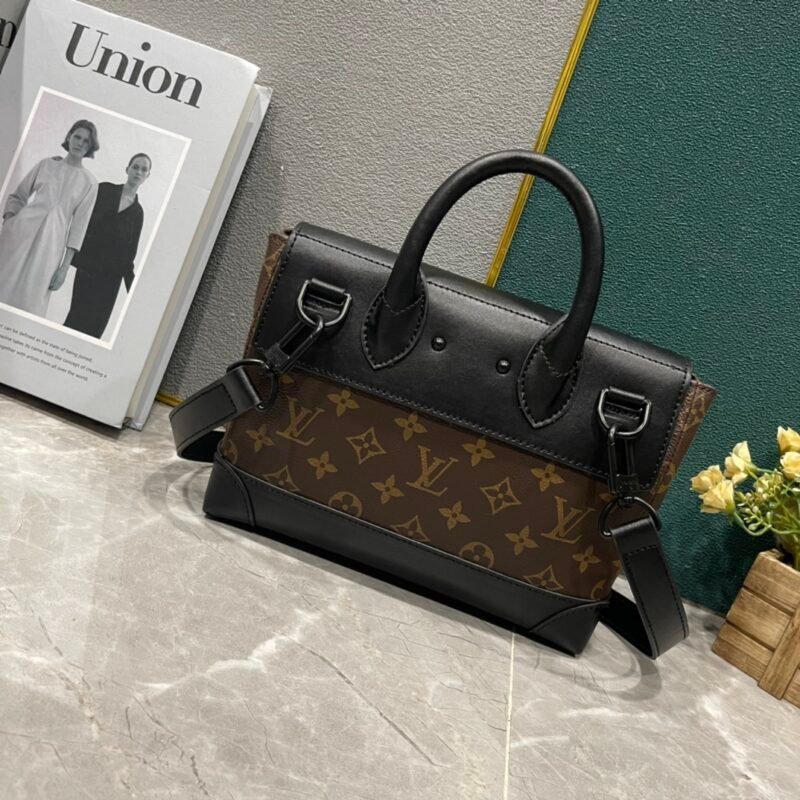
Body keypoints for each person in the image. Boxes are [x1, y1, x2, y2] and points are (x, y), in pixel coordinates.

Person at [0, 120, 99, 317]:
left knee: (31, 302)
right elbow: (18, 196)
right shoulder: (46, 164)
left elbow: (79, 228)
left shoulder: (89, 182)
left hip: (51, 246)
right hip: (18, 235)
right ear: (69, 137)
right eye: (77, 137)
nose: (80, 143)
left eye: (86, 141)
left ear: (91, 146)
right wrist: (9, 223)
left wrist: (64, 268)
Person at [63, 153, 150, 338]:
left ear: (147, 176)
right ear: (127, 169)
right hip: (88, 269)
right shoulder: (104, 190)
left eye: (143, 169)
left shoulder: (138, 213)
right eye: (135, 167)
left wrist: (132, 290)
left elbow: (129, 255)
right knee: (74, 320)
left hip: (111, 280)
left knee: (94, 331)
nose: (138, 172)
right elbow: (80, 214)